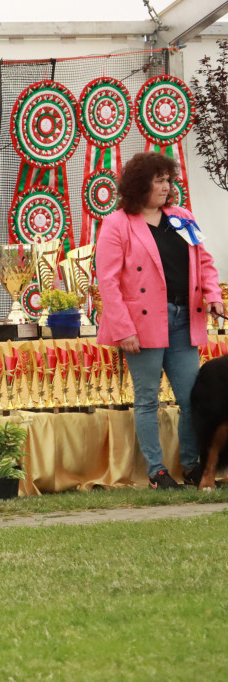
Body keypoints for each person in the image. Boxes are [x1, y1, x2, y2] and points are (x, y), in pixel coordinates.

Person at [96, 151, 223, 490]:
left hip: (185, 318)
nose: (166, 187)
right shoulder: (116, 223)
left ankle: (192, 466)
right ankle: (156, 471)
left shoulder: (182, 217)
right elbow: (107, 282)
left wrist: (213, 295)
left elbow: (205, 262)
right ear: (141, 186)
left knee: (191, 398)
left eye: (168, 180)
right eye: (159, 181)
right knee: (147, 398)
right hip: (141, 325)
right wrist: (123, 329)